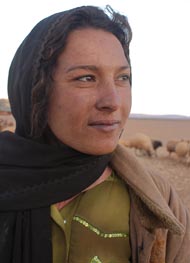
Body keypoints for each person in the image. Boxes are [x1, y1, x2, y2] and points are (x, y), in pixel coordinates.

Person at [0, 5, 189, 263]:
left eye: (123, 77)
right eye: (86, 78)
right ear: (36, 90)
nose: (112, 101)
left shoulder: (159, 201)